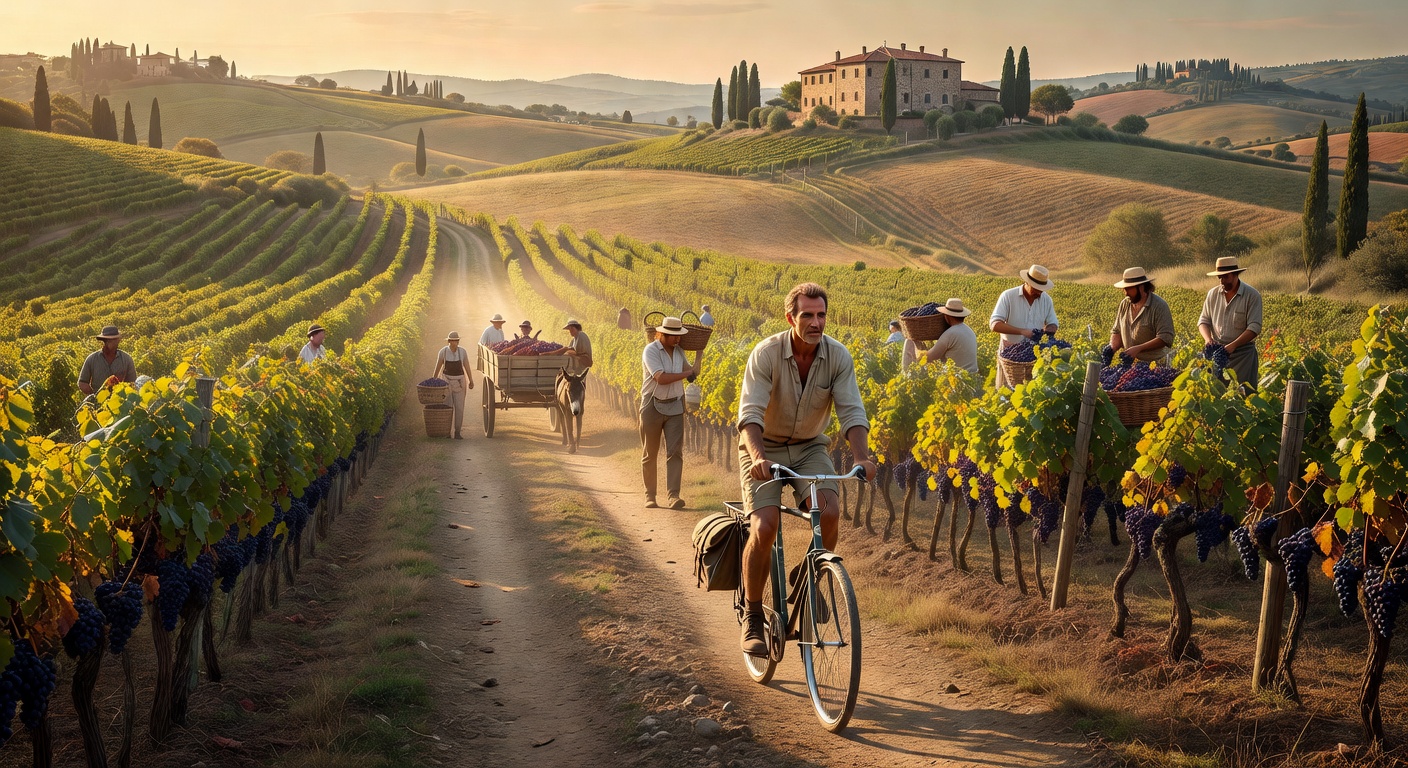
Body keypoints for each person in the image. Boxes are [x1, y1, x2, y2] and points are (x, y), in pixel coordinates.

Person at [736, 283, 876, 656]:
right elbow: (749, 415)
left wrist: (862, 456)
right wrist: (758, 457)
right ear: (790, 318)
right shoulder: (766, 354)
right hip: (764, 446)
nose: (816, 323)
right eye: (807, 315)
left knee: (829, 512)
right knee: (765, 526)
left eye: (821, 315)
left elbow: (851, 411)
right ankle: (752, 617)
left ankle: (809, 576)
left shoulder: (838, 356)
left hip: (810, 445)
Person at [640, 316, 698, 509]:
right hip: (652, 406)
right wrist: (686, 374)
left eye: (678, 335)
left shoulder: (679, 352)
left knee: (675, 452)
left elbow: (692, 375)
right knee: (651, 452)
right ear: (662, 334)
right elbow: (661, 378)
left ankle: (673, 495)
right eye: (673, 335)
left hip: (675, 406)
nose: (677, 339)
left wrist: (699, 355)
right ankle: (650, 495)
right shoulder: (651, 350)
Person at [1198, 256, 1263, 389]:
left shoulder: (1252, 295)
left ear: (1235, 274)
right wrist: (1208, 339)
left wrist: (1233, 346)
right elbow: (1203, 321)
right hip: (1218, 353)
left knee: (1242, 395)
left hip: (1243, 355)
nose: (1222, 281)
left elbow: (1254, 327)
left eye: (1225, 277)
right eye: (1219, 277)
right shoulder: (1212, 294)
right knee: (1217, 393)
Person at [989, 264, 1058, 389]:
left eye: (1041, 289)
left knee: (1031, 394)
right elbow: (995, 325)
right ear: (1026, 282)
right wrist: (1022, 331)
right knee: (1006, 395)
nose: (1039, 293)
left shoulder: (1046, 300)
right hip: (1010, 359)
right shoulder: (1008, 296)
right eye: (1035, 289)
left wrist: (1046, 332)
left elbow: (1053, 324)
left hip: (1033, 361)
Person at [1110, 268, 1175, 364]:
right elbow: (1117, 331)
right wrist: (1111, 348)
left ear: (1141, 287)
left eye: (1129, 289)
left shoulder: (1159, 306)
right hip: (1131, 364)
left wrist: (1139, 348)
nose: (1126, 293)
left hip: (1155, 365)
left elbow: (1165, 338)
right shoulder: (1125, 304)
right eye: (1124, 289)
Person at [432, 331, 474, 439]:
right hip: (446, 382)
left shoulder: (462, 352)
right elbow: (438, 367)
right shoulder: (443, 352)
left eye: (456, 340)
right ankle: (447, 432)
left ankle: (457, 432)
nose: (455, 342)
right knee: (448, 407)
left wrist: (471, 380)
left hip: (460, 382)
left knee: (459, 408)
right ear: (449, 341)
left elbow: (467, 366)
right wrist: (434, 381)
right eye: (453, 340)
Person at [924, 298, 980, 375]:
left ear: (947, 316)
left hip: (957, 380)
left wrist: (918, 347)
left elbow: (930, 358)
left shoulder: (950, 333)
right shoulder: (969, 330)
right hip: (973, 378)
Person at [78, 325, 137, 396]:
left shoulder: (126, 359)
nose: (110, 343)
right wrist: (93, 396)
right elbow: (82, 382)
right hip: (98, 400)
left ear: (118, 340)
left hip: (120, 401)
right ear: (104, 341)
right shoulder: (92, 359)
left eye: (113, 340)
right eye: (108, 340)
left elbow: (132, 383)